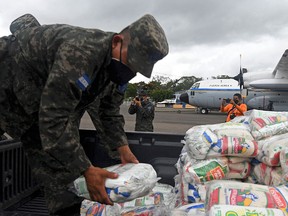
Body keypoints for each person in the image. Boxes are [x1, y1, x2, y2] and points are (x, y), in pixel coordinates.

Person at [0, 13, 168, 215]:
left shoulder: (120, 70)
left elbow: (109, 112)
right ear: (116, 41)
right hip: (8, 86)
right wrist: (86, 169)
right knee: (66, 159)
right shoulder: (80, 52)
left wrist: (121, 147)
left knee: (62, 172)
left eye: (138, 69)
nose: (131, 72)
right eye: (131, 62)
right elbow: (53, 119)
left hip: (33, 104)